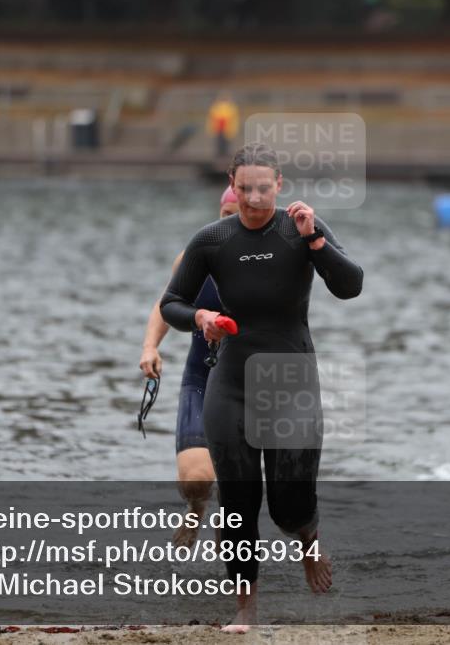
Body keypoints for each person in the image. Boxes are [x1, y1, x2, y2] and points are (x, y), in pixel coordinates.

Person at [160, 141, 363, 633]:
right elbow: (172, 303)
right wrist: (202, 316)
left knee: (288, 505)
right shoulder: (212, 239)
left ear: (280, 186)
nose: (254, 198)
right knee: (238, 501)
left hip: (290, 379)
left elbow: (351, 285)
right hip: (230, 381)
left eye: (263, 188)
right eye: (244, 187)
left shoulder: (301, 228)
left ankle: (307, 537)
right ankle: (245, 609)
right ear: (231, 185)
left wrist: (315, 240)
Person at [139, 187, 239, 547]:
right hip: (202, 376)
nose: (233, 224)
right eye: (226, 216)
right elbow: (167, 303)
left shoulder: (270, 261)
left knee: (237, 488)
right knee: (196, 479)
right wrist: (151, 346)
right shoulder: (196, 257)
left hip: (252, 383)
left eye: (240, 215)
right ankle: (197, 508)